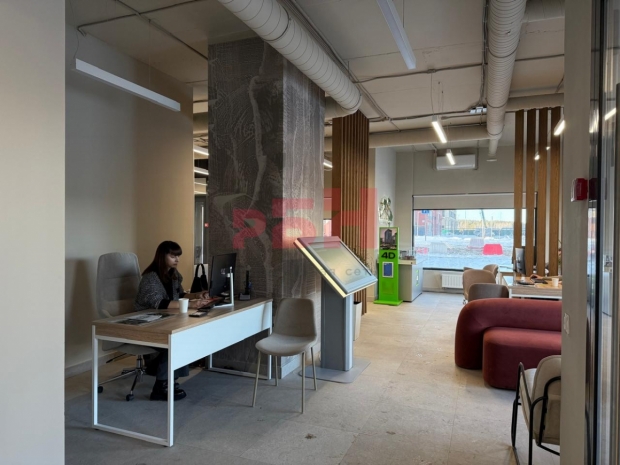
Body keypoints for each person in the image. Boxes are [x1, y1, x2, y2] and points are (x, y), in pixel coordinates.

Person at [134, 240, 211, 401]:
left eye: (178, 256)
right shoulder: (150, 278)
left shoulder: (173, 275)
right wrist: (191, 304)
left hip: (165, 319)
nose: (177, 259)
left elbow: (179, 295)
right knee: (176, 341)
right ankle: (160, 387)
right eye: (173, 256)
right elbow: (159, 303)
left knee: (184, 336)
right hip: (146, 325)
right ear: (162, 256)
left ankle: (167, 377)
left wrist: (196, 295)